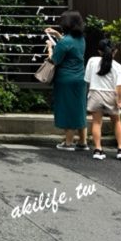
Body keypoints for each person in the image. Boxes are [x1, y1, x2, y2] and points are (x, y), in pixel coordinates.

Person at [46, 11, 88, 151]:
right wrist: (57, 35)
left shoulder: (65, 42)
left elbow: (54, 60)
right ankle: (83, 142)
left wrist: (50, 48)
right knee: (79, 109)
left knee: (67, 108)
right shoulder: (81, 39)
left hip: (65, 79)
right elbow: (68, 44)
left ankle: (68, 143)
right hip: (80, 78)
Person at [85, 39, 121, 160]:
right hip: (111, 95)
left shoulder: (92, 61)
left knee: (96, 122)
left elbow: (88, 80)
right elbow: (120, 86)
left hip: (95, 93)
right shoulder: (118, 67)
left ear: (99, 51)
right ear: (114, 51)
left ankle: (98, 150)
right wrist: (119, 101)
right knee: (116, 121)